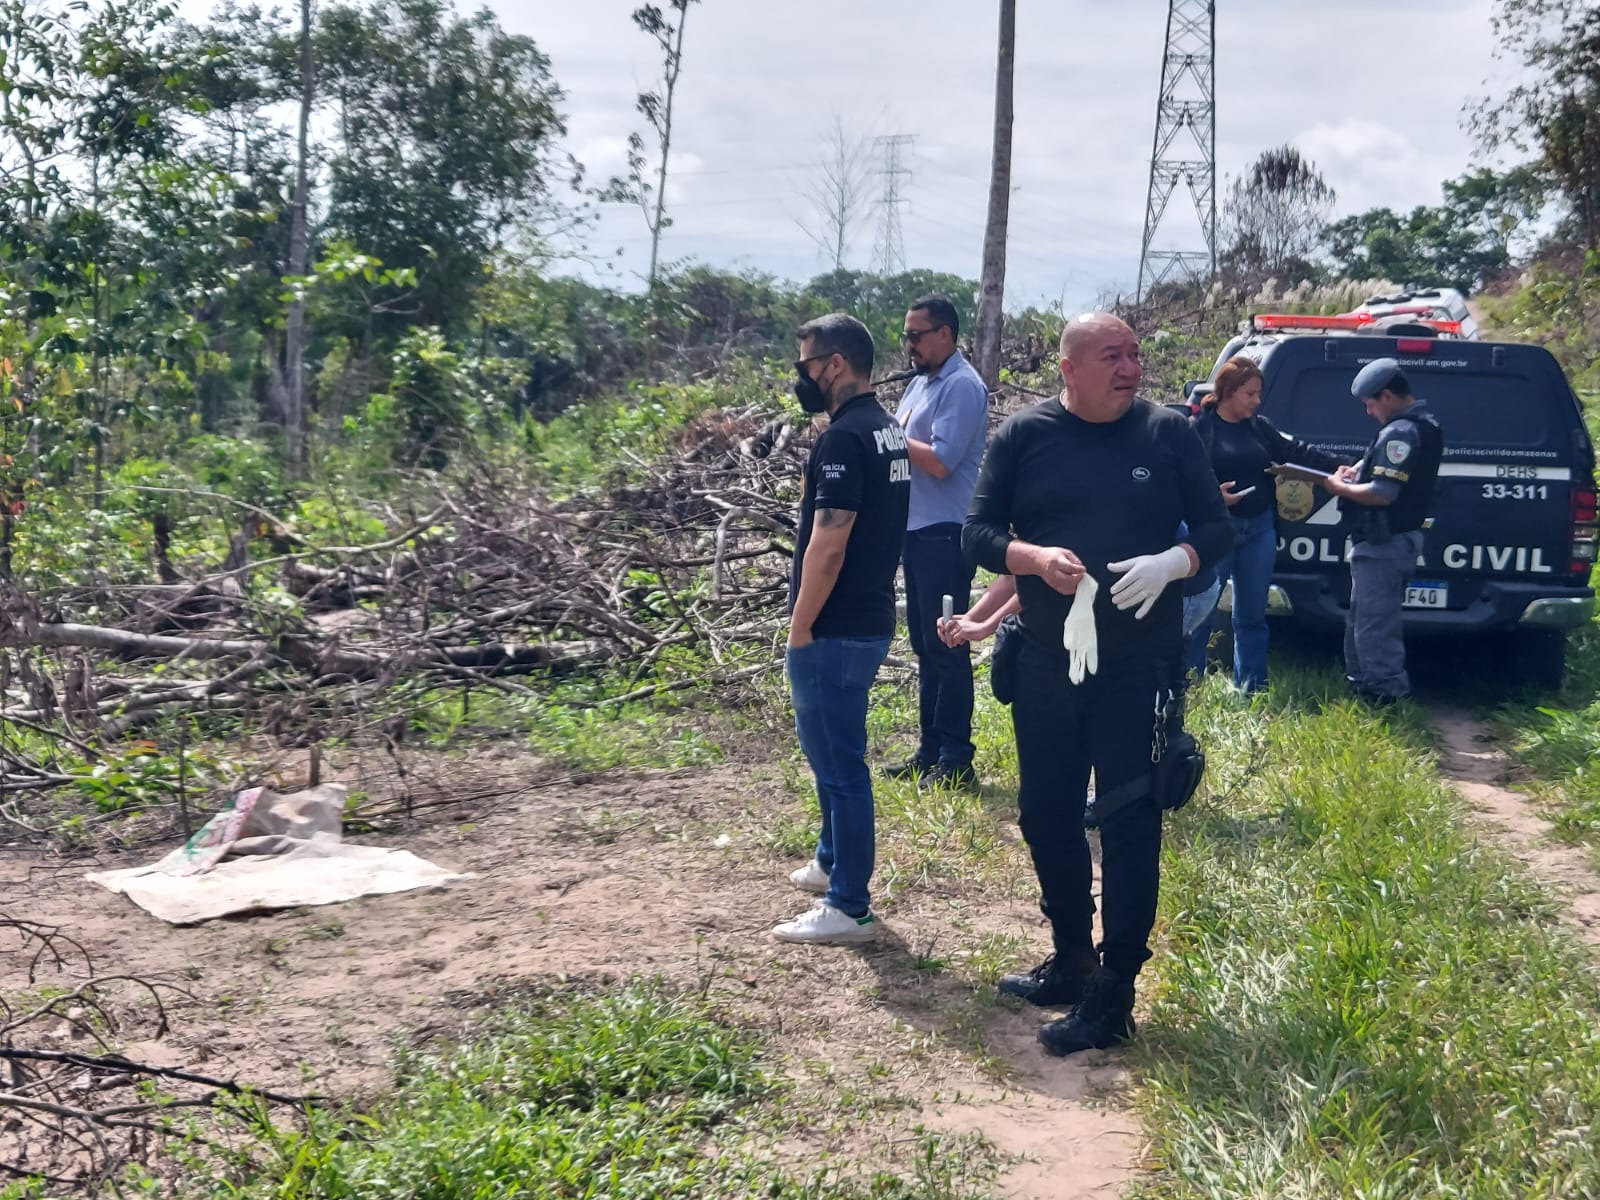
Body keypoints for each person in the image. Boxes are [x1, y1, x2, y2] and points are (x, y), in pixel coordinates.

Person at [963, 313, 1231, 1055]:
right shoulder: (1025, 436)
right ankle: (1071, 958)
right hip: (1047, 659)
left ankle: (1114, 997)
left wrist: (1174, 562)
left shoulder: (1168, 433)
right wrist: (1033, 556)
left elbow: (1218, 530)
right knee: (1044, 813)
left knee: (1128, 821)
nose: (1130, 367)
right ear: (1069, 367)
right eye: (1112, 355)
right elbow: (976, 533)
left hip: (1139, 665)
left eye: (1136, 354)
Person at [775, 312, 911, 945]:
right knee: (831, 754)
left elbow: (829, 543)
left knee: (839, 765)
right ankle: (831, 857)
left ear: (833, 364)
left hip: (835, 626)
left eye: (805, 365)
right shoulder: (888, 430)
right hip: (869, 615)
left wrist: (800, 628)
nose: (801, 377)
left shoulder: (844, 439)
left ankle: (848, 904)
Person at [882, 295, 990, 790]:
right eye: (907, 335)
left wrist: (886, 434)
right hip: (916, 527)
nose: (909, 345)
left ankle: (956, 757)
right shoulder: (922, 385)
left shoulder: (962, 387)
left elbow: (942, 460)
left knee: (948, 643)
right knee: (926, 644)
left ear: (945, 334)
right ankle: (929, 750)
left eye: (916, 335)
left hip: (946, 531)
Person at [1184, 357, 1341, 691]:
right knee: (1202, 612)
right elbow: (1181, 479)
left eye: (1259, 394)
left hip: (1259, 528)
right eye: (1250, 394)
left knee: (1252, 616)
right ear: (1228, 391)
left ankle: (1251, 689)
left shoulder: (1260, 427)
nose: (1257, 401)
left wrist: (1340, 467)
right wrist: (1213, 496)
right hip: (1216, 532)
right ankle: (1187, 687)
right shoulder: (1200, 429)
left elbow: (1295, 451)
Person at [1317, 357, 1443, 704]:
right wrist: (1356, 474)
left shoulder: (1401, 431)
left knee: (1375, 625)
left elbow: (1382, 494)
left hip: (1385, 542)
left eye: (1371, 404)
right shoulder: (1424, 423)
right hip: (1388, 542)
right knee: (1362, 620)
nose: (1369, 412)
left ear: (1387, 395)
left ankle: (1384, 697)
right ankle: (1364, 686)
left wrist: (1337, 488)